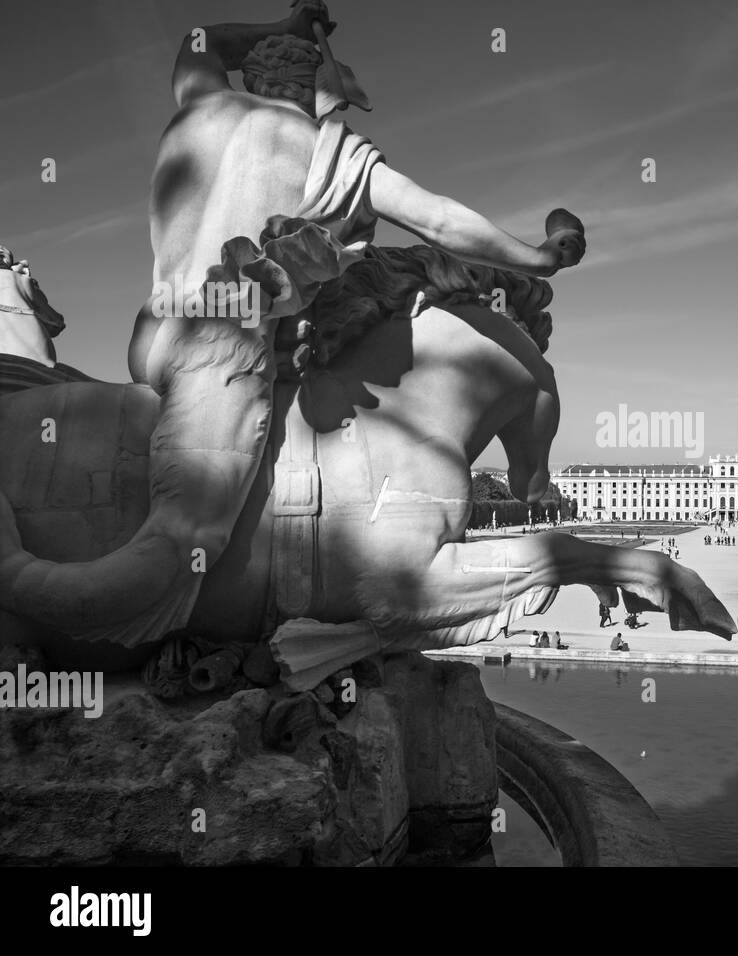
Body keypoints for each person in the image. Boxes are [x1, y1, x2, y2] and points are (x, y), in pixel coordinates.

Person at [0, 0, 586, 646]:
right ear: (315, 93)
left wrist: (279, 27)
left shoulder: (202, 108)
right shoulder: (326, 151)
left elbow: (201, 41)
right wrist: (536, 258)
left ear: (253, 78)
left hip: (155, 339)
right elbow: (443, 223)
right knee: (182, 539)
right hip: (224, 350)